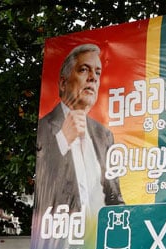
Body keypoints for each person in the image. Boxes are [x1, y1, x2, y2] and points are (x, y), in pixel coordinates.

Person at [34, 43, 124, 217]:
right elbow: (43, 188)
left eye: (97, 72)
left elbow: (114, 198)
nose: (93, 78)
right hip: (64, 237)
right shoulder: (45, 127)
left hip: (101, 236)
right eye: (84, 70)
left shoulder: (104, 134)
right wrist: (63, 139)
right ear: (63, 83)